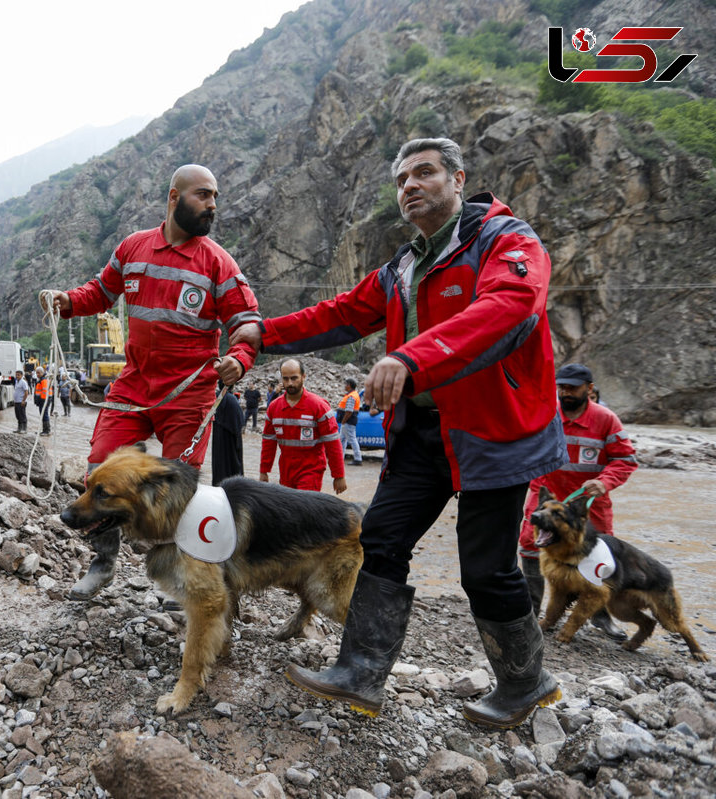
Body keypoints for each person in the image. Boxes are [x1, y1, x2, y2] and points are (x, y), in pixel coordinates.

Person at [231, 137, 567, 729]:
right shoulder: (403, 267)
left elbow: (510, 305)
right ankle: (361, 671)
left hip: (494, 431)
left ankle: (526, 682)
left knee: (486, 569)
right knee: (380, 538)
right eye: (402, 178)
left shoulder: (506, 241)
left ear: (458, 179)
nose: (410, 185)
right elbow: (338, 315)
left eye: (425, 173)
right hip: (422, 432)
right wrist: (264, 334)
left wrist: (412, 357)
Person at [42, 163, 261, 600]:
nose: (212, 205)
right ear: (174, 197)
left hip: (189, 394)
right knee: (98, 469)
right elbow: (100, 293)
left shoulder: (219, 263)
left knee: (178, 488)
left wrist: (239, 357)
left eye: (215, 196)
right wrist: (67, 302)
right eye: (203, 195)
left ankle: (176, 574)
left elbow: (248, 321)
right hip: (133, 387)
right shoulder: (133, 248)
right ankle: (102, 563)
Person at [518, 362, 637, 640]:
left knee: (599, 556)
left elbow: (625, 460)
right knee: (530, 543)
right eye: (561, 386)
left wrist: (604, 481)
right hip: (546, 493)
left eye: (572, 387)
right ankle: (529, 614)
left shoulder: (606, 420)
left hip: (589, 501)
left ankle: (600, 617)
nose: (565, 392)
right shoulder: (545, 412)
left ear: (589, 389)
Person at [259, 359, 347, 494]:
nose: (289, 383)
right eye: (286, 379)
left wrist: (338, 475)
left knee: (306, 510)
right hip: (286, 470)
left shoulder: (319, 406)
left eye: (294, 378)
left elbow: (332, 443)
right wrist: (264, 471)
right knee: (289, 510)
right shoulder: (274, 408)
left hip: (311, 470)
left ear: (303, 376)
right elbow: (268, 442)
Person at [211, 385, 245, 485]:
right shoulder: (232, 399)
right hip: (231, 439)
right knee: (233, 465)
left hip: (218, 436)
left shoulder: (216, 396)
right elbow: (239, 421)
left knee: (219, 466)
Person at [337, 378, 364, 466]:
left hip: (348, 421)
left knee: (351, 439)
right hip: (347, 421)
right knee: (342, 440)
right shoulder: (352, 395)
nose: (345, 386)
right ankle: (340, 458)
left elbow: (349, 411)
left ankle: (358, 458)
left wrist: (344, 421)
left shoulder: (351, 396)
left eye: (346, 384)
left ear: (349, 385)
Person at [33, 367, 52, 436]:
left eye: (39, 373)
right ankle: (44, 430)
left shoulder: (43, 380)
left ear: (42, 372)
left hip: (44, 400)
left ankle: (47, 431)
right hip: (42, 400)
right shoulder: (41, 380)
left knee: (44, 415)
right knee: (43, 415)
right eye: (36, 373)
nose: (37, 374)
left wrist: (41, 400)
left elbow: (44, 391)